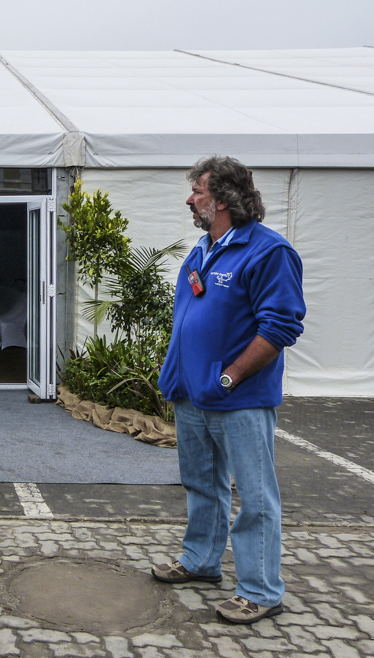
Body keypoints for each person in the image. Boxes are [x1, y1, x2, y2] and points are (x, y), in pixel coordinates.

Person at [153, 156, 305, 625]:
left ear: (222, 199)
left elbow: (280, 327)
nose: (190, 199)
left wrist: (230, 376)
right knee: (201, 483)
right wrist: (176, 375)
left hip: (238, 399)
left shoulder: (269, 251)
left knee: (255, 497)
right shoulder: (204, 249)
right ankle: (201, 560)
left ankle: (261, 591)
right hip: (191, 394)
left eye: (197, 191)